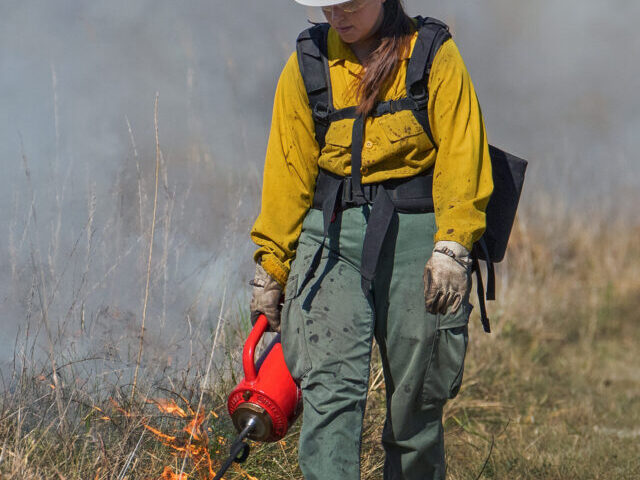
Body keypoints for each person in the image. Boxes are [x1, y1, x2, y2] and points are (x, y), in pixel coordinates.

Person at [249, 0, 493, 478]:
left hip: (419, 234)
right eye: (327, 6)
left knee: (415, 403)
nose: (336, 16)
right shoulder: (307, 62)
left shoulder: (434, 55)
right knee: (329, 396)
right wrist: (271, 265)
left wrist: (453, 247)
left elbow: (464, 151)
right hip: (331, 233)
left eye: (350, 4)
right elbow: (287, 169)